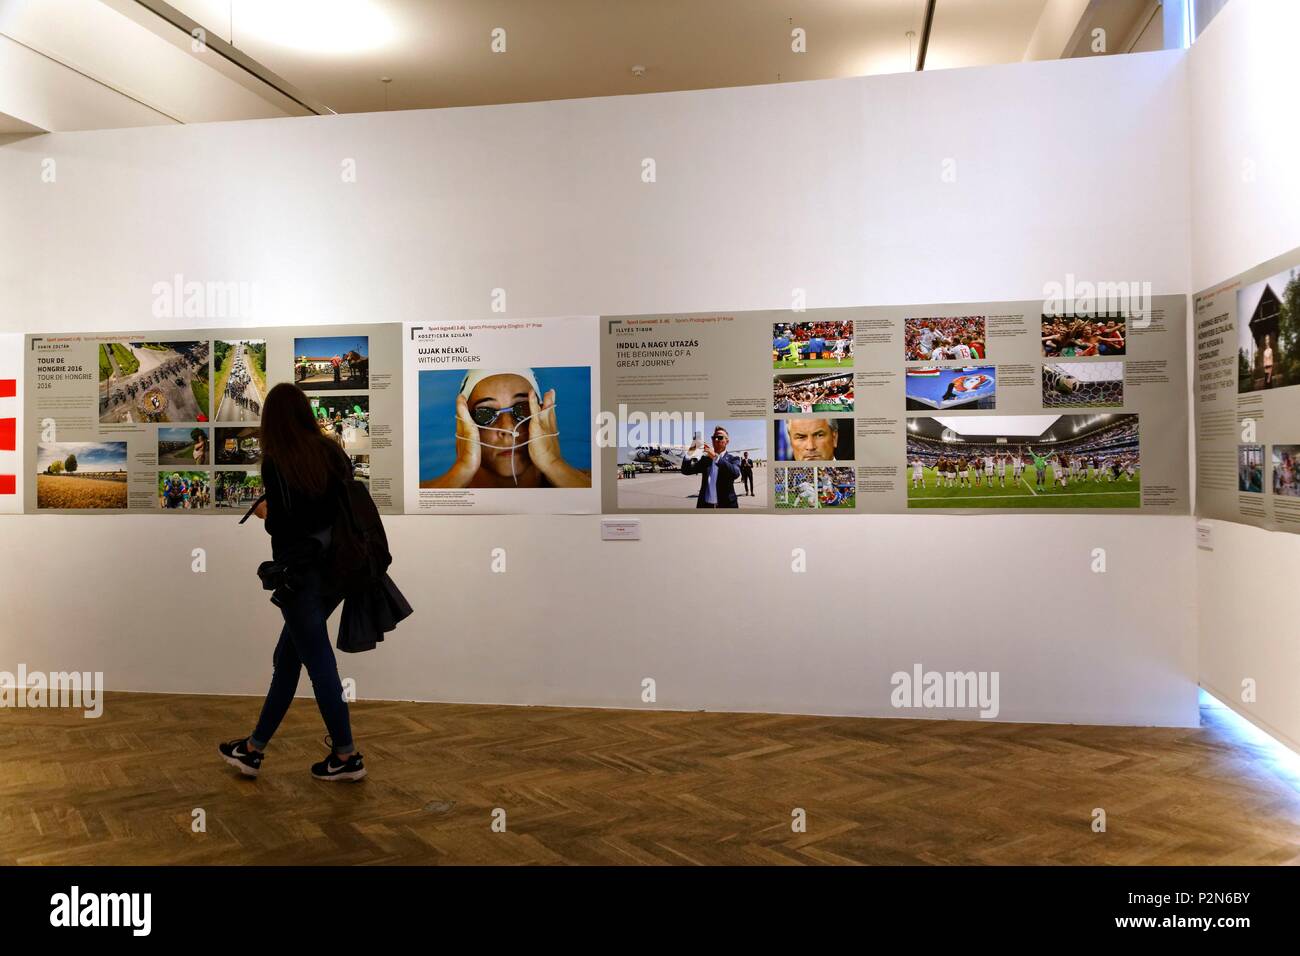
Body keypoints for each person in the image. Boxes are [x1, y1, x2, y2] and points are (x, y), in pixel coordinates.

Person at [219, 382, 367, 783]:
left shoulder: (277, 461)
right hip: (335, 571)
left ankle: (347, 754)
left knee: (318, 663)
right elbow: (336, 508)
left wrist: (267, 511)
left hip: (299, 576)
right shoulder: (332, 452)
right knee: (288, 659)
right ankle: (252, 749)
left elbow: (287, 525)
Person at [421, 369, 590, 489]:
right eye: (485, 413)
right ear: (464, 423)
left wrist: (554, 464)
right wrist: (462, 470)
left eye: (523, 409)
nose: (508, 428)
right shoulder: (419, 492)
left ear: (543, 415)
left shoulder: (589, 484)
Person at [682, 426, 741, 508]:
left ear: (727, 441)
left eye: (719, 437)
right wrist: (692, 450)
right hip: (705, 506)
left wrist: (715, 457)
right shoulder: (706, 459)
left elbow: (735, 473)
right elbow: (686, 470)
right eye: (714, 437)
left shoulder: (733, 459)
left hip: (727, 506)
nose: (716, 439)